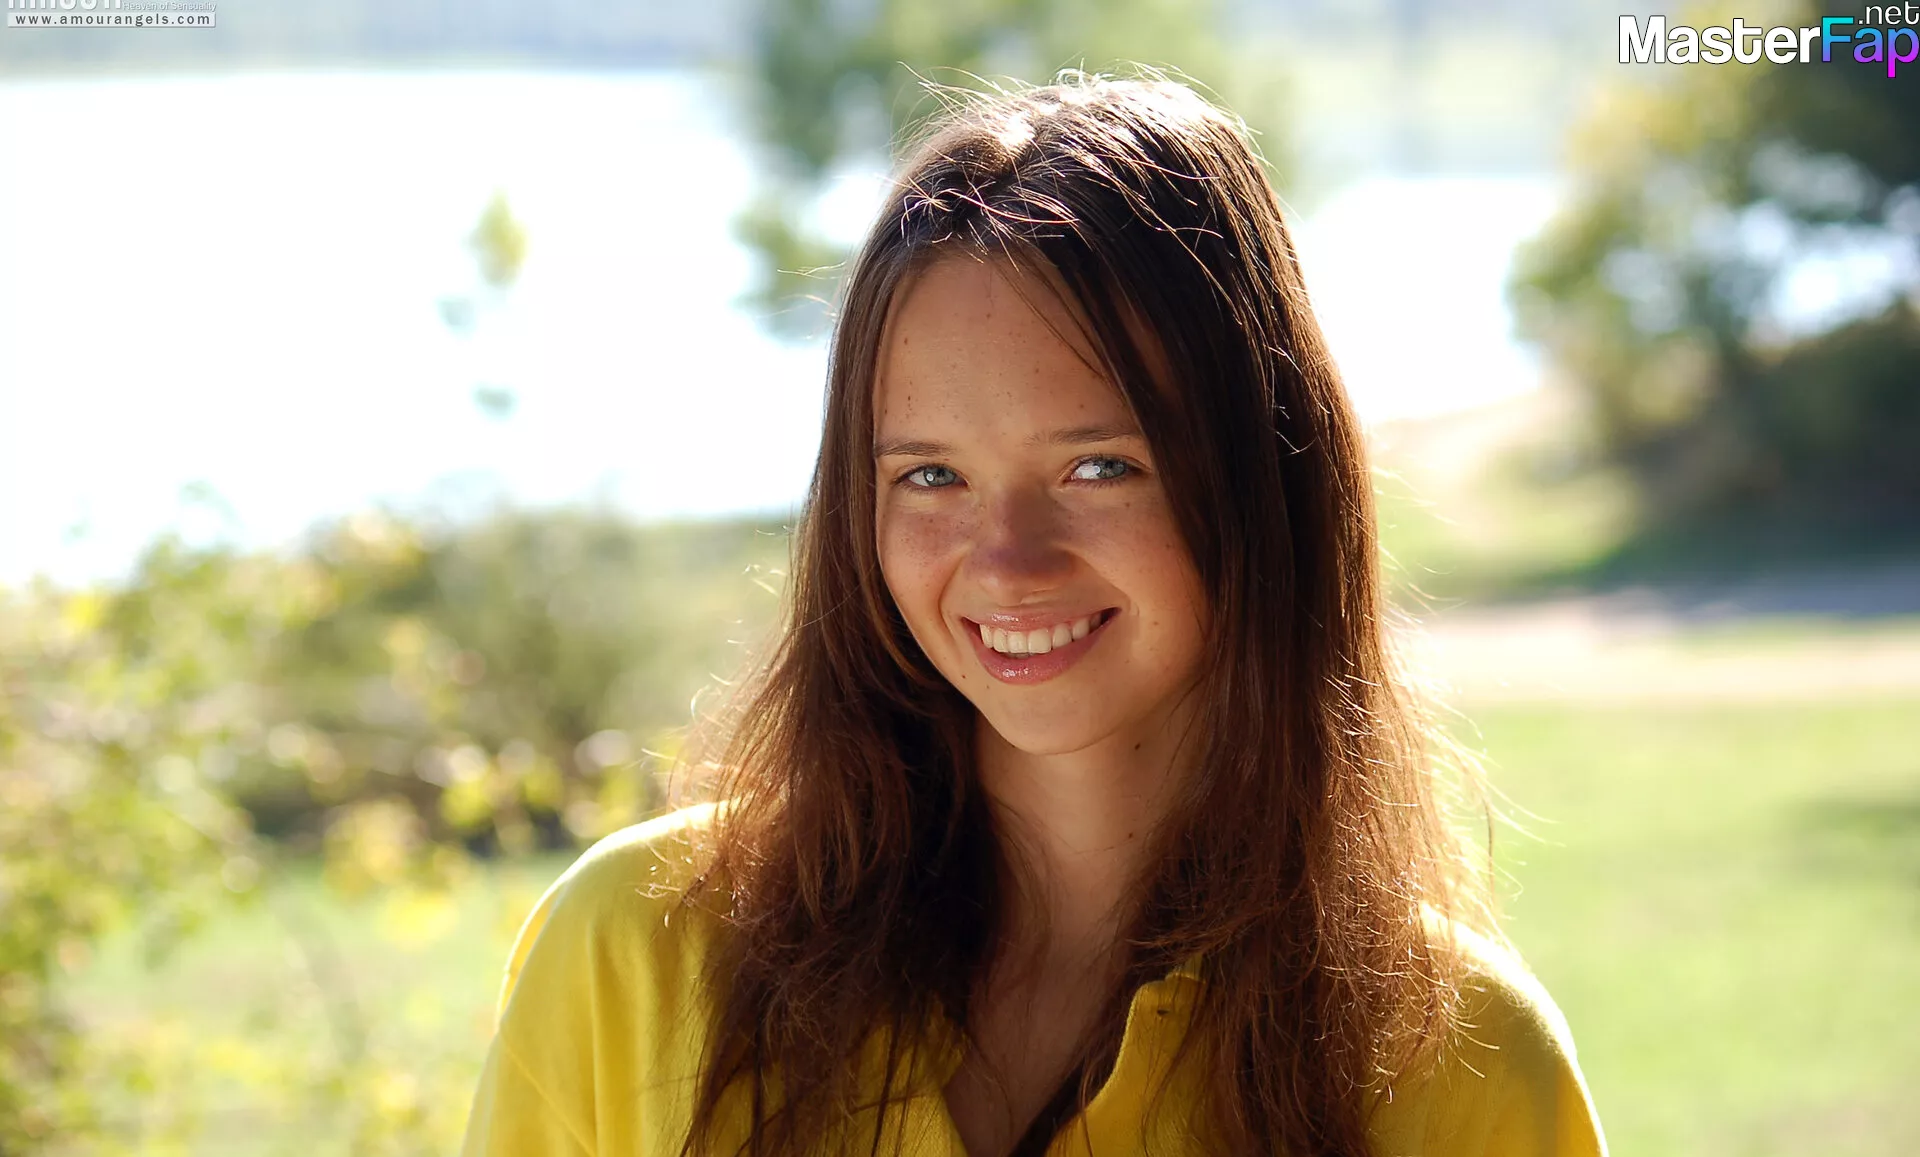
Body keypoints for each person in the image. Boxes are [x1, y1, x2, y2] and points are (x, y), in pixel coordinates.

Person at [460, 74, 1608, 1157]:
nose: (1006, 563)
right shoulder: (631, 952)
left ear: (1265, 480)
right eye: (931, 475)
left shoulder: (1461, 1062)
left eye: (1099, 466)